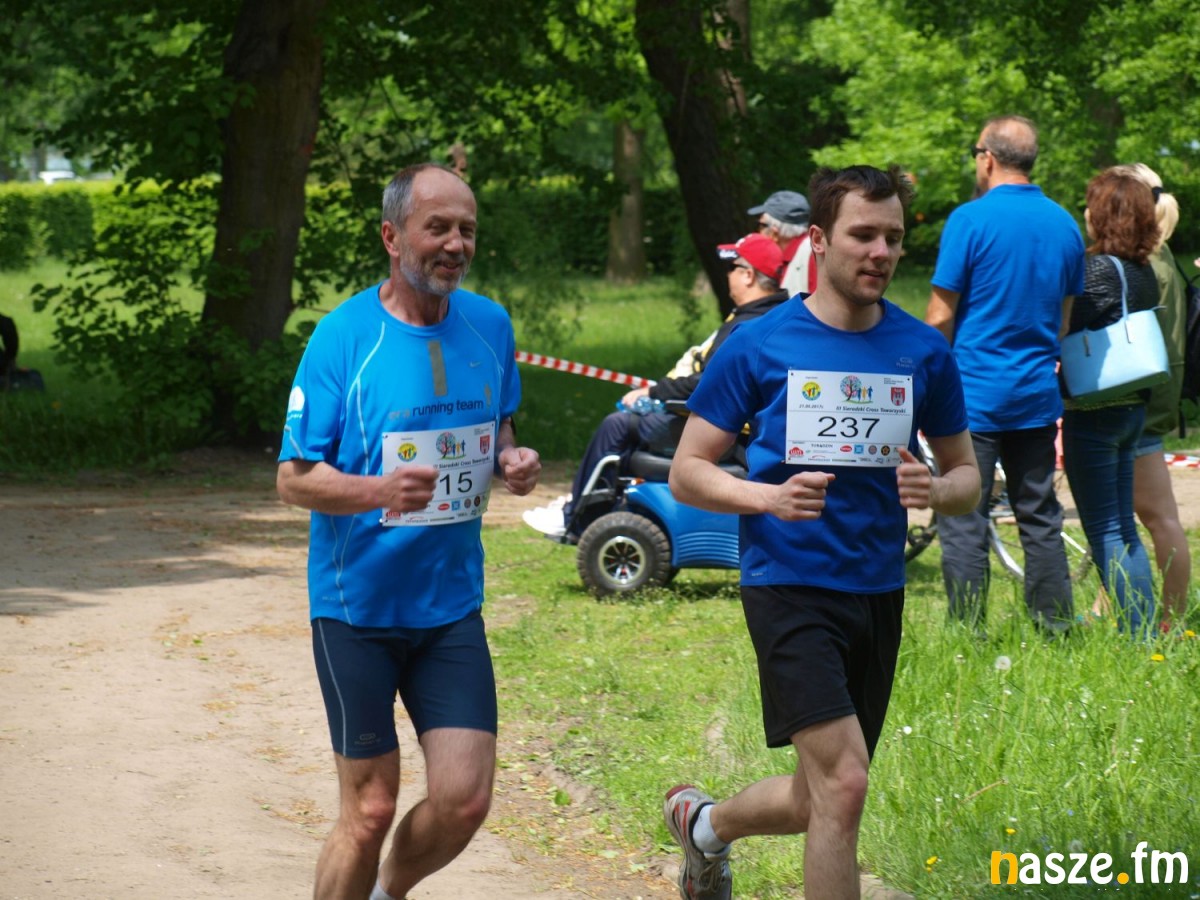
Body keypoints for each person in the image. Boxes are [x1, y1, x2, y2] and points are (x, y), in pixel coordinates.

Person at [664, 165, 980, 900]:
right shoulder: (760, 343)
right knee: (845, 782)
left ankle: (705, 827)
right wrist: (768, 498)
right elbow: (687, 472)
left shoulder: (923, 351)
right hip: (788, 582)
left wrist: (934, 489)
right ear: (818, 239)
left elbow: (968, 477)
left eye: (893, 238)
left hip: (877, 586)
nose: (880, 252)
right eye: (863, 234)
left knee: (820, 795)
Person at [276, 162, 541, 900]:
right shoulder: (343, 337)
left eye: (467, 230)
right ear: (393, 237)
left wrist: (511, 459)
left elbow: (498, 425)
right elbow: (293, 479)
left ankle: (387, 891)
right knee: (369, 810)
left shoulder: (489, 325)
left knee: (465, 800)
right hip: (357, 610)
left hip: (449, 607)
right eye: (438, 228)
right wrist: (379, 491)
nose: (456, 244)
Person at [924, 114, 1085, 634]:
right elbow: (1063, 323)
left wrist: (921, 378)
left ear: (987, 158)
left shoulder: (969, 221)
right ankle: (1055, 627)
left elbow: (940, 317)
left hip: (971, 397)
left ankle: (967, 631)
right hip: (1036, 394)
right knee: (1039, 514)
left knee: (962, 513)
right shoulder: (1064, 223)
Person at [521, 233, 788, 540]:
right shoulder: (772, 317)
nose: (727, 275)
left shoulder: (748, 324)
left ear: (748, 275)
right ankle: (587, 507)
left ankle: (575, 519)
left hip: (726, 433)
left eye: (731, 268)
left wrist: (654, 393)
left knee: (618, 425)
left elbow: (708, 384)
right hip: (739, 429)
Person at [1060, 169, 1161, 636]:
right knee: (1123, 525)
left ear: (1102, 215)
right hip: (1132, 407)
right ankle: (1144, 628)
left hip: (1094, 412)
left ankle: (1137, 635)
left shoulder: (1095, 270)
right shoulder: (1144, 270)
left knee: (1104, 529)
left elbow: (1063, 327)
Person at [1108, 164, 1192, 629]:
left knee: (1157, 518)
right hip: (1156, 401)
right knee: (1123, 518)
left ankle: (1174, 620)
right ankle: (1110, 606)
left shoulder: (1144, 264)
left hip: (1141, 406)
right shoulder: (1164, 256)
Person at [749, 190, 815, 297]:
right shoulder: (792, 256)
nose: (758, 232)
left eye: (761, 225)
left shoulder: (811, 253)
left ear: (774, 232)